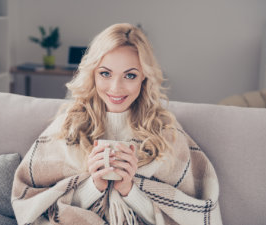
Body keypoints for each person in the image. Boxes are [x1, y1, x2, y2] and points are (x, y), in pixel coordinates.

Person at [11, 23, 222, 225]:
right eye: (105, 73)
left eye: (130, 75)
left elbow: (187, 216)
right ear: (93, 74)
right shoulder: (69, 124)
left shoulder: (164, 129)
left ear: (144, 79)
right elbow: (36, 208)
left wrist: (128, 190)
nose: (116, 88)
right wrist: (95, 186)